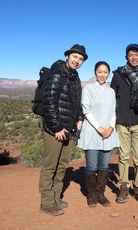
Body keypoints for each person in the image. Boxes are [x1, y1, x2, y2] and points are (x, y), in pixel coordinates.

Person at [39, 44, 87, 216]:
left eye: (81, 59)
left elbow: (76, 102)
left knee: (62, 165)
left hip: (70, 129)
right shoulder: (57, 74)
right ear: (67, 56)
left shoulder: (75, 77)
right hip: (55, 130)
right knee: (50, 166)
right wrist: (57, 127)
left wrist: (79, 119)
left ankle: (56, 197)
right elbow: (49, 101)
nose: (77, 61)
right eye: (75, 57)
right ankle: (46, 202)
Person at [110, 44, 138, 203]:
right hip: (122, 122)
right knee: (123, 156)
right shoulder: (118, 75)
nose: (134, 57)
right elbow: (112, 97)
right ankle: (123, 186)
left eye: (137, 54)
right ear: (126, 57)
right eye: (131, 55)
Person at [77, 61, 119, 207]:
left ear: (108, 74)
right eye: (100, 72)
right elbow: (86, 110)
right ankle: (91, 194)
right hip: (92, 132)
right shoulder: (88, 89)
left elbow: (113, 112)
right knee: (91, 166)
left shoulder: (111, 91)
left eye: (105, 72)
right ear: (95, 72)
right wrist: (99, 128)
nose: (102, 75)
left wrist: (111, 128)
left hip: (108, 133)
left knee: (104, 166)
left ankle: (101, 194)